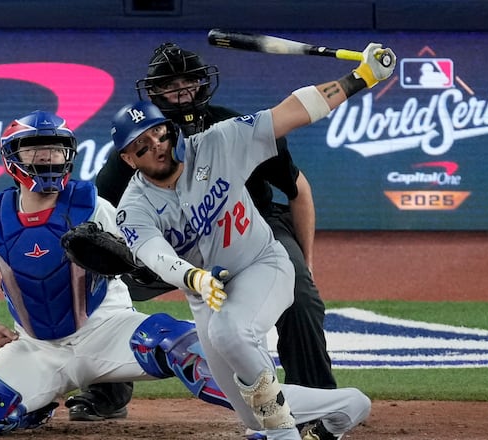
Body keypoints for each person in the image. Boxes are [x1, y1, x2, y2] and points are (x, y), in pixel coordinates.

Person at [109, 43, 396, 440]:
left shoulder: (220, 140)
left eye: (158, 133)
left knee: (233, 334)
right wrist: (193, 279)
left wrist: (361, 78)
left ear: (168, 129)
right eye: (141, 145)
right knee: (247, 409)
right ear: (128, 159)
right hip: (206, 293)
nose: (154, 145)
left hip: (261, 264)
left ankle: (284, 434)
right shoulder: (133, 205)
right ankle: (347, 405)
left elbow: (292, 111)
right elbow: (154, 255)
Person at [72, 42, 337, 436]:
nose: (180, 89)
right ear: (154, 91)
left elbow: (297, 189)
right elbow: (103, 216)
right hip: (174, 244)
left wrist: (306, 267)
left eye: (188, 79)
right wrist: (116, 260)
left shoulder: (231, 125)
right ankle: (105, 393)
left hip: (251, 226)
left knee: (299, 293)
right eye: (169, 83)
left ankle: (317, 406)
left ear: (202, 82)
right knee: (95, 282)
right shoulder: (134, 148)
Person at [0, 110, 231, 437]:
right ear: (12, 158)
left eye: (56, 149)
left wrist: (132, 262)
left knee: (182, 346)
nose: (48, 156)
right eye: (36, 149)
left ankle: (271, 413)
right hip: (38, 348)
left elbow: (143, 254)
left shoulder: (94, 207)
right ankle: (37, 403)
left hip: (107, 330)